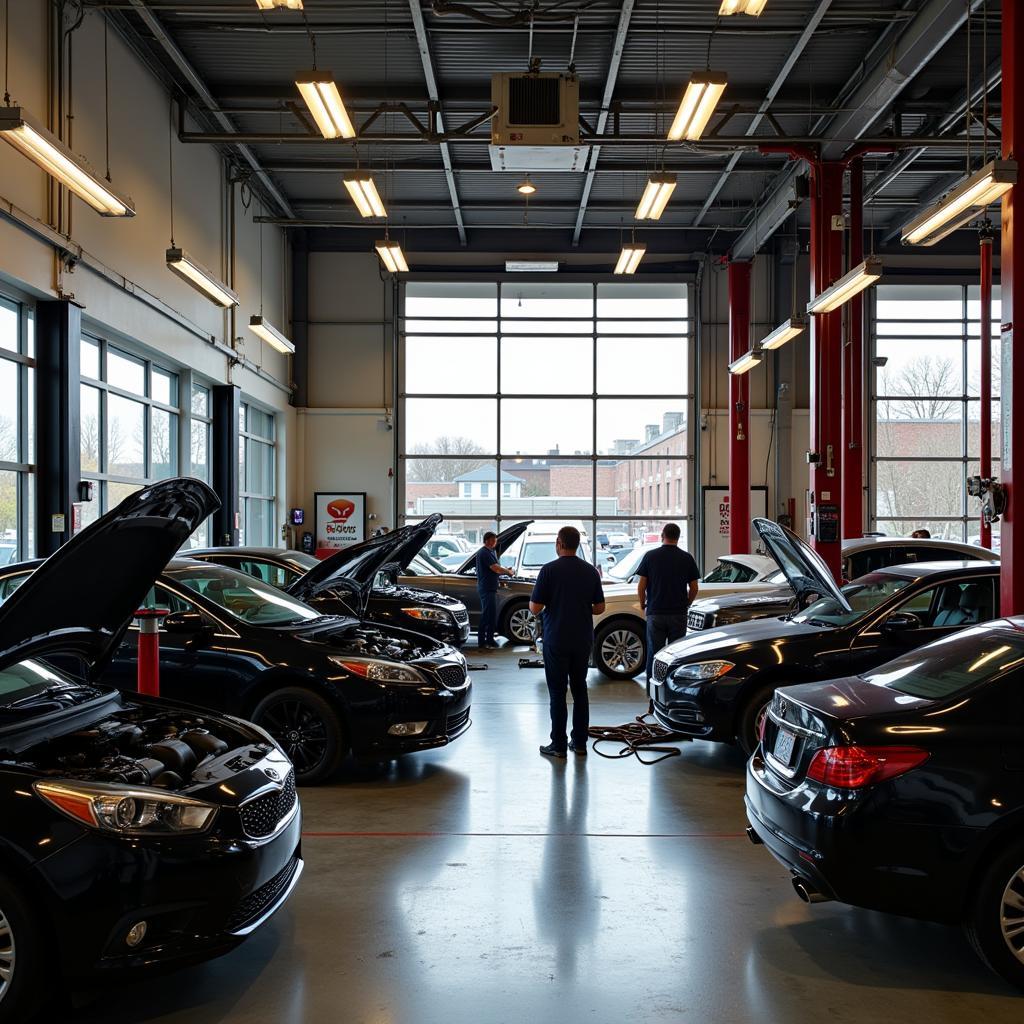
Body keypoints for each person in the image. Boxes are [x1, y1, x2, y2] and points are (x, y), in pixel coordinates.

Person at [529, 526, 605, 758]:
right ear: (577, 543)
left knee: (557, 692)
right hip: (582, 639)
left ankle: (558, 745)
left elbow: (534, 607)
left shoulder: (549, 570)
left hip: (556, 639)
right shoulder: (590, 571)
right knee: (580, 689)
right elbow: (600, 607)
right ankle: (580, 743)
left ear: (559, 543)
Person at [636, 523, 701, 685]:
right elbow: (694, 587)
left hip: (655, 612)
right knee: (676, 655)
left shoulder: (650, 556)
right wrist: (687, 603)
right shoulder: (686, 558)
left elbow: (641, 585)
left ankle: (652, 696)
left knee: (654, 654)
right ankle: (671, 689)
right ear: (678, 538)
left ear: (662, 536)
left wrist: (643, 603)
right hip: (678, 613)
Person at [475, 531, 514, 648]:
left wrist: (505, 570)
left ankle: (490, 639)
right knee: (487, 615)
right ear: (486, 540)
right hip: (486, 588)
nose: (495, 542)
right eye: (493, 540)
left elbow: (495, 568)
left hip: (490, 587)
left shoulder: (491, 552)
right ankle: (482, 642)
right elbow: (495, 568)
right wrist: (508, 572)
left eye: (495, 540)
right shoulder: (484, 552)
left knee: (491, 615)